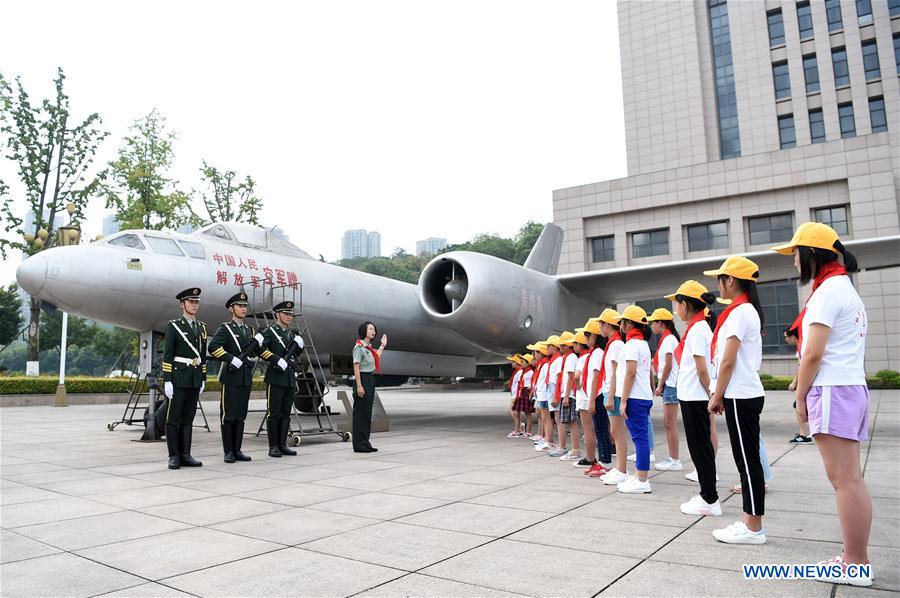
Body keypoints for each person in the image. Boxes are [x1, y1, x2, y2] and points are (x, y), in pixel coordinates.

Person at [772, 222, 873, 587]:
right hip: (849, 387)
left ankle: (855, 563)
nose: (793, 262)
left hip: (833, 389)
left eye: (795, 254)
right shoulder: (844, 288)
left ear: (811, 254)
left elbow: (813, 353)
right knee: (851, 480)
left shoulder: (828, 292)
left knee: (845, 482)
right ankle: (854, 558)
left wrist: (800, 395)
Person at [704, 256, 767, 544]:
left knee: (747, 462)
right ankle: (751, 523)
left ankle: (753, 527)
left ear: (730, 280)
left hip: (741, 394)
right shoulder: (744, 310)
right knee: (747, 459)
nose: (718, 284)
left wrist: (717, 395)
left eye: (720, 279)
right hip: (742, 393)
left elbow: (728, 360)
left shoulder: (740, 313)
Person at [664, 281, 721, 516]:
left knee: (700, 449)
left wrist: (712, 395)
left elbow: (702, 369)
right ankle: (707, 495)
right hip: (693, 396)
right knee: (700, 448)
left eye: (677, 304)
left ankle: (709, 499)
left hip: (696, 398)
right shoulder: (698, 328)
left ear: (685, 305)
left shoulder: (697, 331)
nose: (676, 309)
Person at [209, 291, 260, 463]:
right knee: (229, 415)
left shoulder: (249, 330)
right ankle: (228, 451)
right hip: (231, 377)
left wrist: (260, 343)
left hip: (245, 377)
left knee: (240, 415)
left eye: (245, 306)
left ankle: (237, 450)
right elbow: (213, 347)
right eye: (240, 306)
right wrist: (231, 359)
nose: (243, 309)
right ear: (231, 309)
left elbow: (256, 351)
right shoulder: (225, 328)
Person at [161, 288, 208, 470]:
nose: (194, 305)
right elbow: (168, 355)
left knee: (188, 417)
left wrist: (203, 377)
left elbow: (202, 356)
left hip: (194, 378)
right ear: (182, 304)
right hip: (178, 377)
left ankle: (186, 455)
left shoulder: (201, 327)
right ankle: (174, 455)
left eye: (196, 302)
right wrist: (167, 380)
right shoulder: (174, 326)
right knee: (173, 418)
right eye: (191, 302)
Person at [614, 305, 655, 494]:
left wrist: (623, 401)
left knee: (639, 439)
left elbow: (630, 373)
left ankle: (642, 480)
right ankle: (639, 474)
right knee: (641, 437)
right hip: (642, 396)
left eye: (622, 322)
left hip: (635, 397)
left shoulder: (631, 345)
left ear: (629, 324)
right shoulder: (642, 344)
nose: (620, 325)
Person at [259, 301, 302, 458]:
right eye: (286, 313)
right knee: (274, 412)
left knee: (285, 412)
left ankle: (283, 444)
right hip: (275, 378)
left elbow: (294, 355)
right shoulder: (270, 332)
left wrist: (299, 348)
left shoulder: (291, 334)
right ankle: (273, 446)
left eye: (290, 314)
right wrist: (275, 359)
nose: (289, 316)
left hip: (289, 378)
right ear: (277, 314)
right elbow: (259, 348)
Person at [594, 310, 627, 483]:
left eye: (600, 324)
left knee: (617, 432)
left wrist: (611, 396)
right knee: (615, 432)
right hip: (612, 391)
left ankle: (622, 470)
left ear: (606, 325)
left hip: (613, 392)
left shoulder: (615, 345)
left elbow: (615, 372)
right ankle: (620, 468)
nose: (599, 328)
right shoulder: (613, 344)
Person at [648, 308, 682, 471]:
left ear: (661, 323)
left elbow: (668, 365)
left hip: (671, 385)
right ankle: (673, 458)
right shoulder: (668, 338)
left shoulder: (668, 340)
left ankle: (675, 459)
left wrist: (660, 385)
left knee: (670, 423)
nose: (651, 326)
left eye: (653, 322)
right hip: (670, 384)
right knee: (669, 423)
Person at [351, 321, 387, 453]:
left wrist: (382, 346)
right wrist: (359, 386)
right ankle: (359, 445)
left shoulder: (369, 348)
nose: (373, 331)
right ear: (364, 331)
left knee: (367, 413)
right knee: (360, 414)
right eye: (370, 329)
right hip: (362, 379)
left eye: (374, 330)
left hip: (370, 379)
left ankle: (365, 442)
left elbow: (376, 358)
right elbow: (356, 366)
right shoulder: (359, 347)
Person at [574, 321, 602, 469]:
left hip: (586, 395)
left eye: (586, 335)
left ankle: (590, 458)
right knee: (594, 428)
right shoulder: (594, 354)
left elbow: (577, 376)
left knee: (588, 428)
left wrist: (578, 386)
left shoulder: (587, 356)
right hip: (591, 395)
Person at [551, 331, 580, 460]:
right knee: (568, 422)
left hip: (569, 394)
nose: (560, 347)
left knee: (572, 423)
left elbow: (570, 377)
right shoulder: (566, 357)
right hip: (566, 393)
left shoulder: (571, 357)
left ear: (569, 346)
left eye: (562, 345)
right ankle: (572, 449)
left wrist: (567, 395)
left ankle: (575, 450)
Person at [784, 327, 813, 444]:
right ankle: (805, 434)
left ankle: (804, 435)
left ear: (793, 336)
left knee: (799, 405)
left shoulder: (803, 345)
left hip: (810, 383)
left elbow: (802, 367)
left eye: (786, 337)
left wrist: (795, 382)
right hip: (810, 382)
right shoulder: (801, 345)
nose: (785, 340)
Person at [527, 342, 549, 445]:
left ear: (540, 353)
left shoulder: (545, 364)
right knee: (540, 416)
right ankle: (541, 434)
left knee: (545, 418)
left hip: (543, 394)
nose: (533, 355)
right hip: (539, 393)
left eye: (535, 353)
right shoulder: (540, 365)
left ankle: (545, 437)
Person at [506, 355, 525, 438]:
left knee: (512, 411)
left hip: (516, 395)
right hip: (514, 394)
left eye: (513, 361)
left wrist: (517, 395)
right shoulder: (517, 371)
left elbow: (520, 384)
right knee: (516, 413)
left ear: (517, 363)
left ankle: (519, 428)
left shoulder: (519, 372)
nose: (512, 363)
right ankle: (519, 428)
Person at [519, 354, 536, 437]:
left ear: (528, 363)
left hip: (527, 391)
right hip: (524, 391)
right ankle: (527, 430)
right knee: (526, 412)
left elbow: (533, 382)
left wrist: (531, 391)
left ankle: (529, 431)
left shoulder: (530, 372)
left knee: (528, 413)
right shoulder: (524, 371)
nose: (521, 363)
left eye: (523, 362)